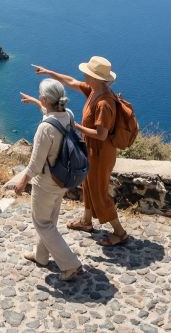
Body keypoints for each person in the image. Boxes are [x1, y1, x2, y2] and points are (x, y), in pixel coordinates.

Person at [32, 56, 129, 246]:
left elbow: (101, 135)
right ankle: (86, 221)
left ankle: (119, 232)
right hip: (92, 150)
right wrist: (49, 72)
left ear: (97, 78)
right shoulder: (94, 91)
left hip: (101, 153)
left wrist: (75, 125)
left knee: (99, 192)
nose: (84, 75)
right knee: (88, 186)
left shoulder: (104, 103)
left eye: (88, 73)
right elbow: (71, 82)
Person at [16, 78, 84, 281]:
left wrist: (22, 181)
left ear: (45, 99)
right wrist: (36, 103)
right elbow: (52, 115)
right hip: (63, 178)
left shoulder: (45, 129)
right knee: (50, 219)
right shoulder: (69, 115)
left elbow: (36, 164)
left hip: (46, 182)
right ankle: (41, 256)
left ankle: (70, 264)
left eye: (40, 97)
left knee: (42, 224)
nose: (39, 98)